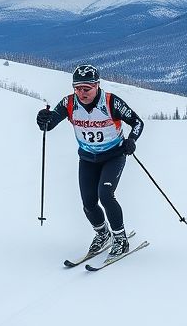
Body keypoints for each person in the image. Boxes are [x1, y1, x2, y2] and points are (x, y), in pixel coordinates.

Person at [36, 63, 144, 259]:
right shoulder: (69, 103)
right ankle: (103, 234)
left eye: (87, 88)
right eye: (77, 88)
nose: (82, 93)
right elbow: (49, 124)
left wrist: (131, 140)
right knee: (88, 203)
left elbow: (137, 122)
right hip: (87, 158)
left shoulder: (111, 102)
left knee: (106, 194)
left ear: (97, 85)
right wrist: (43, 119)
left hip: (114, 155)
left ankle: (120, 239)